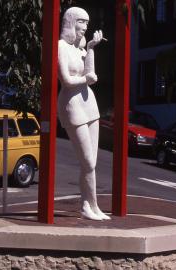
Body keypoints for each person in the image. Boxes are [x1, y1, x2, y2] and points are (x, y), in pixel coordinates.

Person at [57, 7, 110, 220]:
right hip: (72, 105)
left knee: (92, 163)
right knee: (87, 161)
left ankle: (91, 206)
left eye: (87, 24)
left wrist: (91, 48)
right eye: (81, 22)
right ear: (70, 22)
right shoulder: (61, 47)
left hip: (89, 104)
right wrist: (86, 80)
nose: (85, 27)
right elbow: (66, 81)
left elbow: (90, 73)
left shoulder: (80, 47)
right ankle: (89, 206)